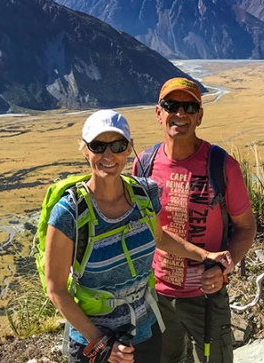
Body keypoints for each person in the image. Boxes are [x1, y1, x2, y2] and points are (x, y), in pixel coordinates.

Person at [44, 109, 232, 363]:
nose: (108, 155)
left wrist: (204, 255)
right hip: (94, 344)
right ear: (85, 150)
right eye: (98, 146)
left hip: (144, 331)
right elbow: (56, 289)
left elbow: (160, 237)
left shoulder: (144, 194)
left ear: (129, 148)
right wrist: (101, 343)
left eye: (118, 145)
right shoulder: (69, 213)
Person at [132, 78, 258, 363]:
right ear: (158, 113)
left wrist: (226, 265)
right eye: (171, 105)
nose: (180, 113)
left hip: (207, 298)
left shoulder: (222, 166)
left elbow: (246, 227)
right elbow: (144, 230)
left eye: (189, 106)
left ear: (200, 115)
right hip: (157, 296)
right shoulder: (144, 164)